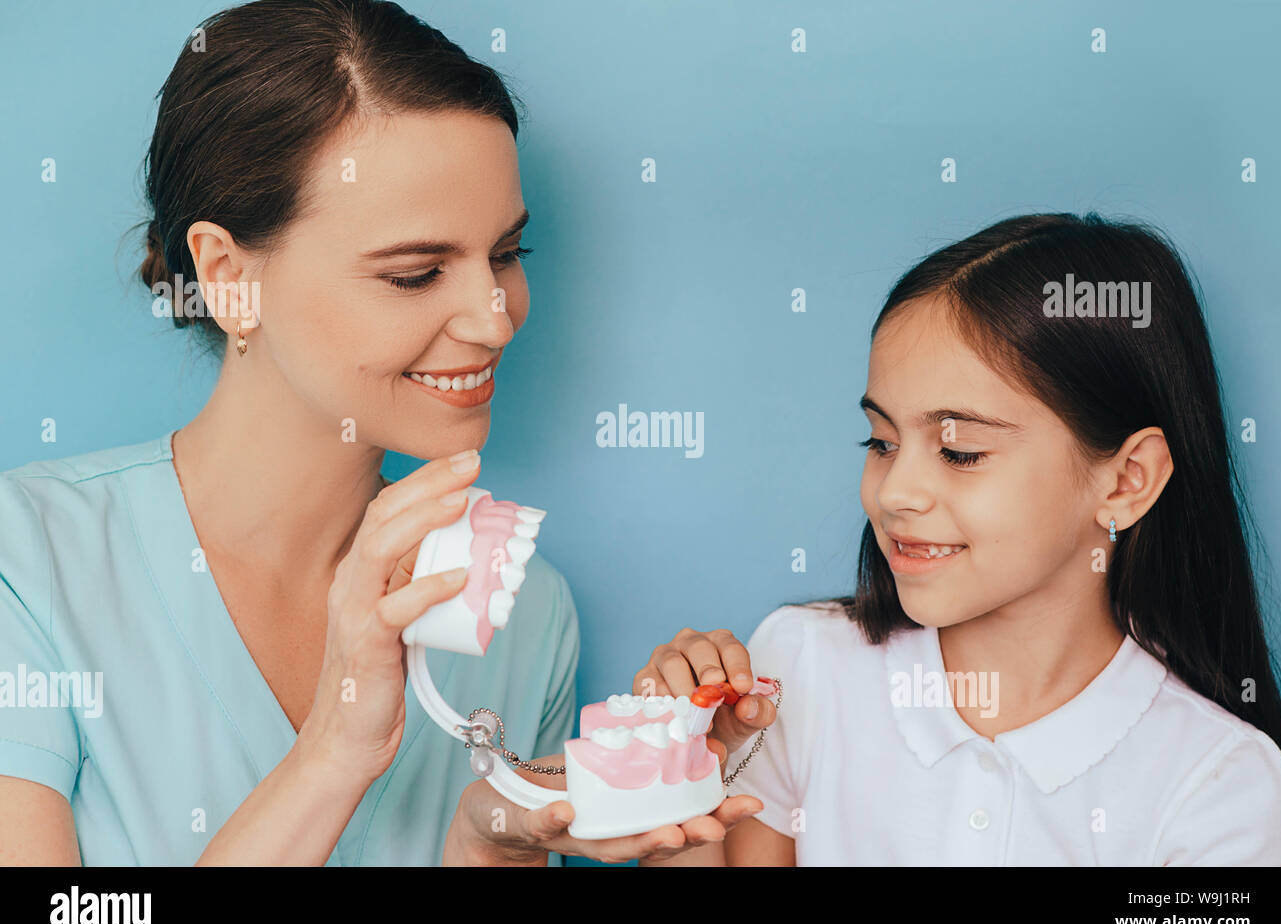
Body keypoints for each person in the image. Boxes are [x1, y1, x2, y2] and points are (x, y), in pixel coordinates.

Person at [0, 0, 752, 867]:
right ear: (226, 275)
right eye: (417, 273)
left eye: (508, 255)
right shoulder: (28, 567)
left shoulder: (523, 611)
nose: (495, 318)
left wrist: (493, 841)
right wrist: (334, 752)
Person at [636, 213, 1281, 866]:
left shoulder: (1220, 784)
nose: (894, 492)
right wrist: (683, 775)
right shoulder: (804, 665)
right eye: (882, 442)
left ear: (1127, 479)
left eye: (960, 451)